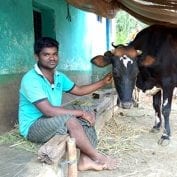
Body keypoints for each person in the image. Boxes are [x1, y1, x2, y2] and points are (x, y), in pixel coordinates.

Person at [18, 37, 118, 171]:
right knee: (71, 120)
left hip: (51, 119)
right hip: (33, 127)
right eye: (46, 54)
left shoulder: (59, 76)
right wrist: (80, 113)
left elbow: (80, 90)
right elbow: (48, 111)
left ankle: (84, 159)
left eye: (54, 54)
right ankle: (97, 157)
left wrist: (103, 82)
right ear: (37, 56)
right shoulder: (31, 79)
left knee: (88, 110)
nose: (52, 58)